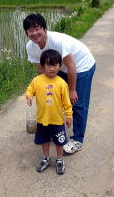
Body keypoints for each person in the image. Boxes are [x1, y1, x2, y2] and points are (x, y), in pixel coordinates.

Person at [23, 13, 96, 154]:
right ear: (26, 33)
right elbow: (40, 69)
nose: (34, 33)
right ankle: (54, 129)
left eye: (37, 28)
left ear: (45, 29)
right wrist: (42, 89)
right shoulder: (30, 47)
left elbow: (71, 66)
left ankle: (78, 140)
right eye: (30, 30)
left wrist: (72, 90)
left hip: (81, 66)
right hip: (60, 68)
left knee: (77, 103)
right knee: (55, 98)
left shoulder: (57, 41)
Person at [26, 49, 72, 175]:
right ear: (42, 65)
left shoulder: (62, 83)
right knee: (44, 140)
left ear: (60, 65)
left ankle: (60, 159)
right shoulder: (37, 80)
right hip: (41, 119)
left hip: (57, 120)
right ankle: (46, 158)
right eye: (48, 65)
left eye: (55, 64)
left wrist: (68, 116)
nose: (52, 68)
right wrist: (29, 95)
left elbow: (67, 102)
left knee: (59, 141)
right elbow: (30, 89)